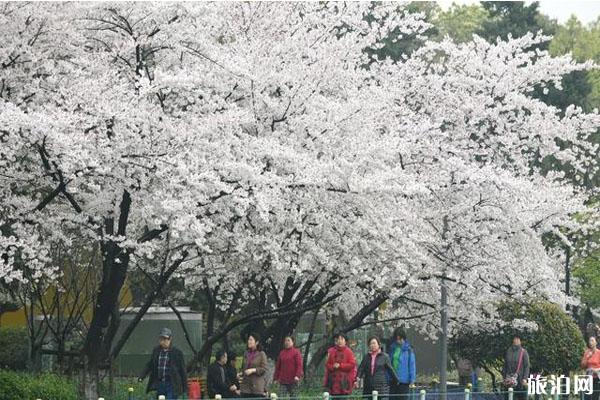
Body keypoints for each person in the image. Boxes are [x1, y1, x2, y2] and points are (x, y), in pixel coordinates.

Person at [139, 328, 188, 400]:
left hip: (172, 384)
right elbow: (150, 365)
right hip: (160, 383)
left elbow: (183, 370)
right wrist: (142, 376)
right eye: (161, 339)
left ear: (170, 339)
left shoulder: (177, 353)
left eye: (165, 339)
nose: (163, 342)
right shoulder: (156, 351)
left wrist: (185, 388)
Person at [324, 332, 357, 397]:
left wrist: (340, 365)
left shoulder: (349, 352)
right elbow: (327, 364)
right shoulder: (331, 351)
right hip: (333, 382)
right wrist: (333, 366)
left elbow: (352, 365)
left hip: (344, 382)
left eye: (342, 339)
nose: (340, 341)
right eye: (338, 339)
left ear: (345, 341)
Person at [388, 328, 416, 399]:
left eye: (400, 339)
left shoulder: (409, 350)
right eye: (397, 339)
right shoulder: (393, 348)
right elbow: (389, 364)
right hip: (393, 380)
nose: (398, 341)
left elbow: (412, 365)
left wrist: (412, 379)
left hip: (404, 381)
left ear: (404, 338)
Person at [240, 332, 268, 399]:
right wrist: (240, 373)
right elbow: (243, 367)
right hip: (245, 387)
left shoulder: (261, 354)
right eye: (248, 340)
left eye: (251, 340)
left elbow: (264, 369)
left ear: (256, 342)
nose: (248, 341)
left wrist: (254, 370)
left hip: (256, 387)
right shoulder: (246, 353)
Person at [502, 334, 530, 400]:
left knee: (521, 396)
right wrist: (504, 376)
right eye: (515, 338)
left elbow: (527, 366)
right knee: (508, 396)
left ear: (520, 341)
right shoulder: (508, 351)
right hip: (509, 379)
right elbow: (505, 364)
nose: (516, 340)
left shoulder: (524, 352)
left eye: (518, 339)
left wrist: (525, 378)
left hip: (520, 380)